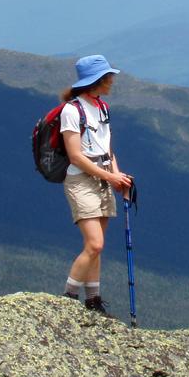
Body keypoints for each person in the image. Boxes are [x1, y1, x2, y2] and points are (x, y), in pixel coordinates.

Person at [58, 55, 133, 315]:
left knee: (96, 245)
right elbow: (75, 155)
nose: (112, 80)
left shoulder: (102, 107)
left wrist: (117, 176)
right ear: (97, 81)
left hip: (101, 178)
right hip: (81, 180)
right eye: (108, 77)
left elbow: (106, 148)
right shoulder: (72, 110)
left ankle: (93, 300)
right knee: (95, 244)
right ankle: (67, 300)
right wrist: (110, 178)